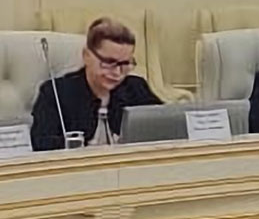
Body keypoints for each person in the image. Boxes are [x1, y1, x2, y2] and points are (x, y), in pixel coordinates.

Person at [30, 18, 164, 150]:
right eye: (108, 63)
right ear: (86, 56)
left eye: (125, 64)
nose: (117, 72)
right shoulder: (55, 93)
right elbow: (41, 144)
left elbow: (166, 126)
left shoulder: (136, 88)